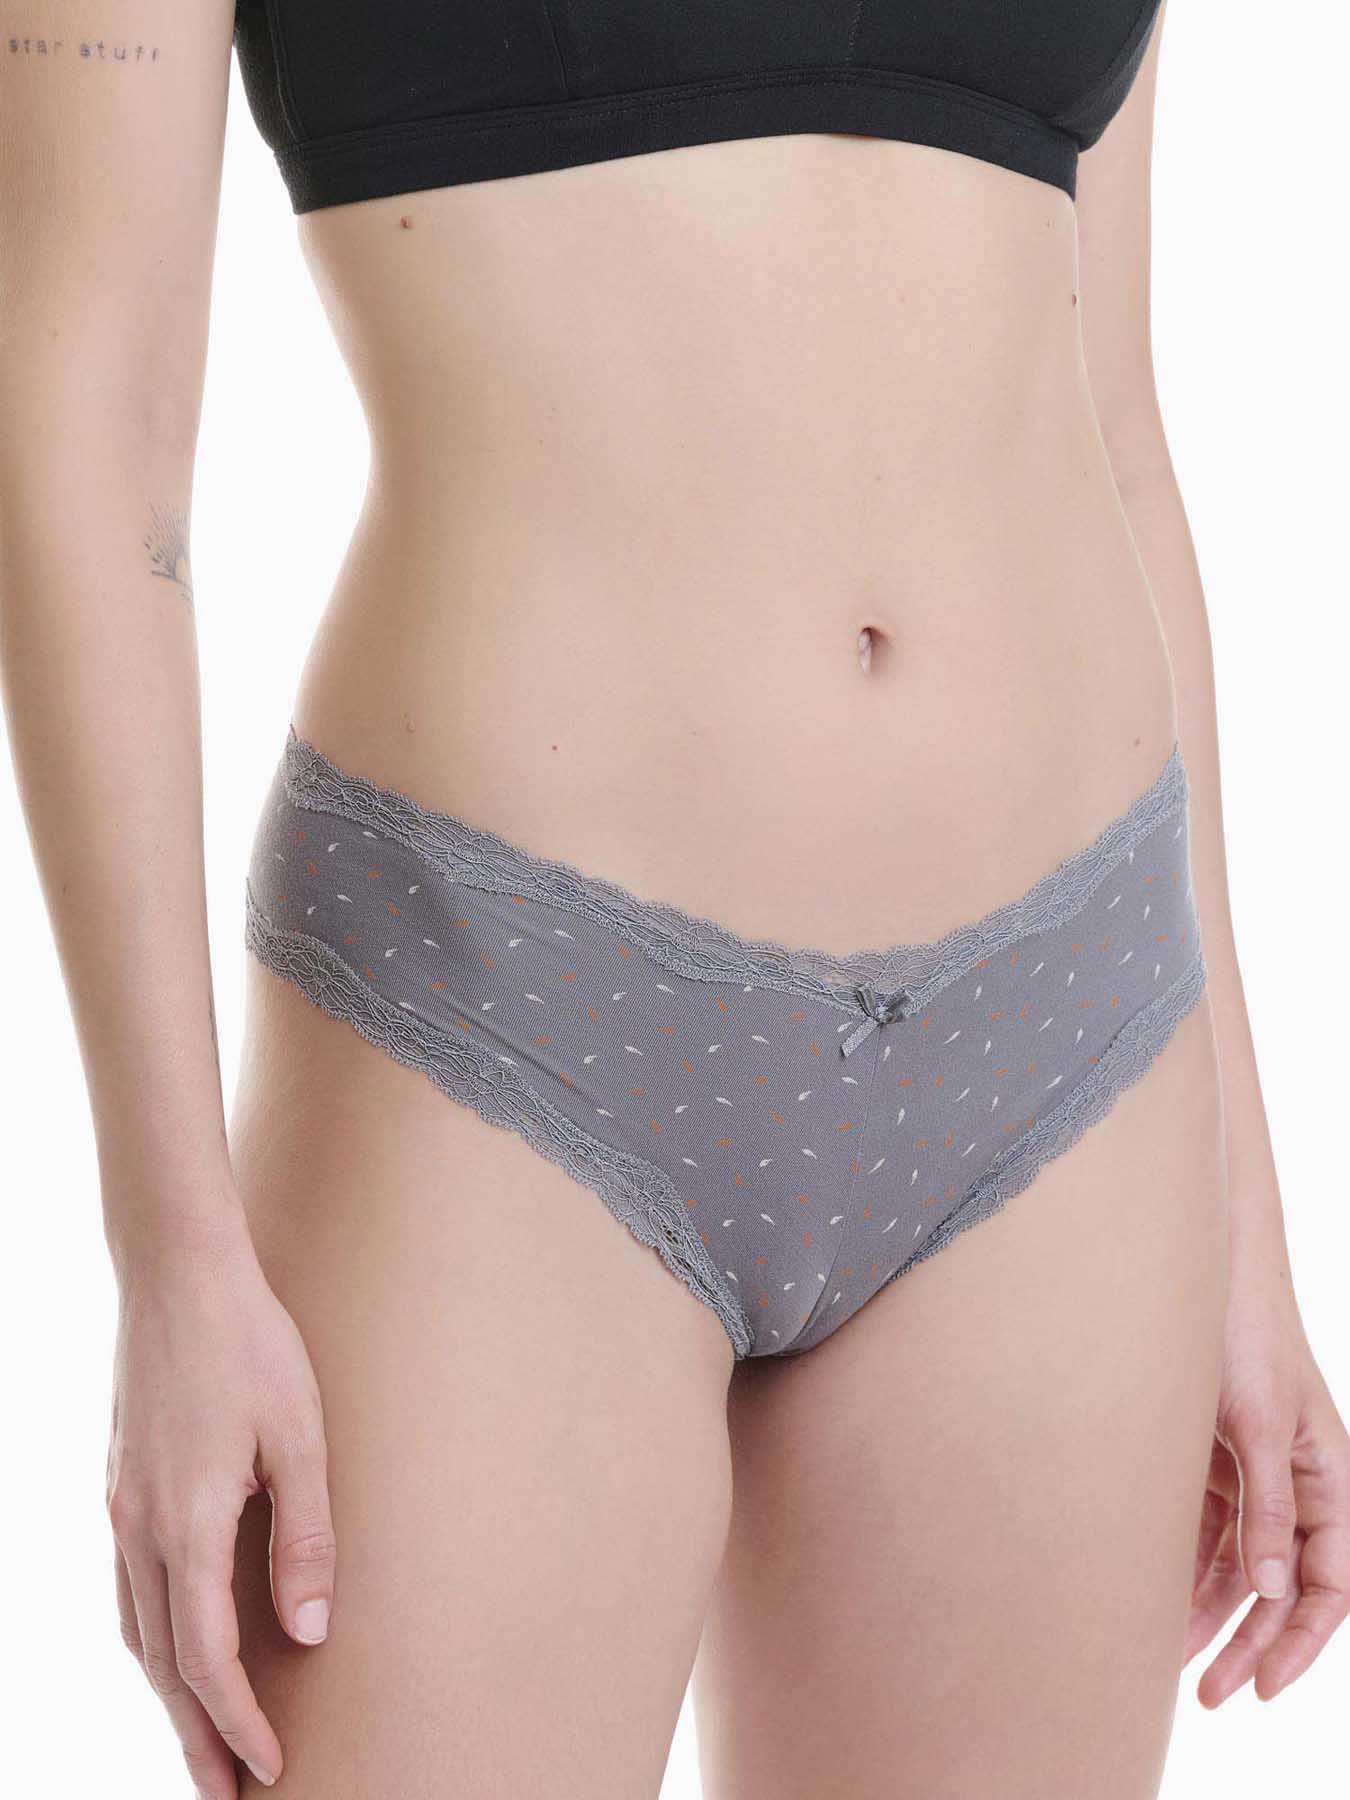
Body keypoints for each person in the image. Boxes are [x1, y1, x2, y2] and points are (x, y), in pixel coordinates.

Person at [3, 3, 1346, 1796]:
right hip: (503, 1011)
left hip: (1067, 1025)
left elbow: (1120, 430)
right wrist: (170, 1258)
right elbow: (79, 418)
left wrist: (1243, 1225)